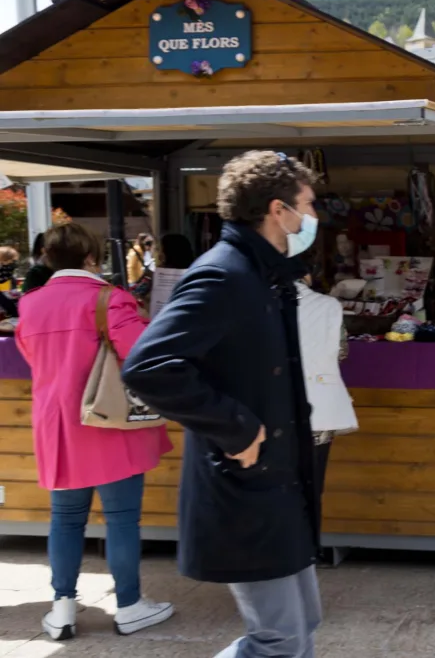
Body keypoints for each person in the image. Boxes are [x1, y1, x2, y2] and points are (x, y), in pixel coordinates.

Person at [121, 151, 321, 658]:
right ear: (279, 210)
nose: (314, 217)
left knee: (302, 627)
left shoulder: (265, 274)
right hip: (245, 485)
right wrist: (237, 428)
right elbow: (148, 367)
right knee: (280, 641)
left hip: (279, 486)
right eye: (308, 205)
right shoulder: (224, 275)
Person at [15, 223, 174, 640]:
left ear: (48, 259)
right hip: (109, 422)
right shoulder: (110, 300)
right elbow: (141, 355)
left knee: (65, 520)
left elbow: (31, 355)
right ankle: (129, 606)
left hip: (58, 426)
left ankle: (62, 609)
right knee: (122, 520)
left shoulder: (31, 304)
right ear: (92, 257)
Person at [296, 267, 357, 519]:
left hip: (273, 409)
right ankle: (307, 549)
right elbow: (341, 352)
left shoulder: (260, 304)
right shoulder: (329, 305)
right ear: (308, 276)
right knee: (312, 483)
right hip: (319, 407)